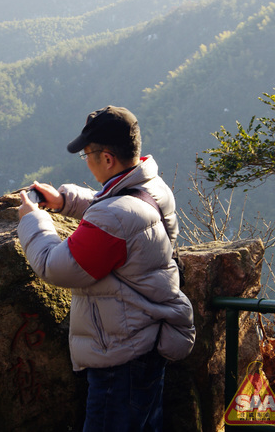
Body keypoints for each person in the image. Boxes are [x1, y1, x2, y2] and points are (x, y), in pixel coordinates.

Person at [17, 105, 195, 432]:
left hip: (120, 357)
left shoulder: (115, 217)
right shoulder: (154, 188)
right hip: (149, 340)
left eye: (87, 154)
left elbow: (55, 267)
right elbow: (115, 206)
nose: (86, 160)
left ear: (107, 158)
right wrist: (63, 201)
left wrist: (34, 220)